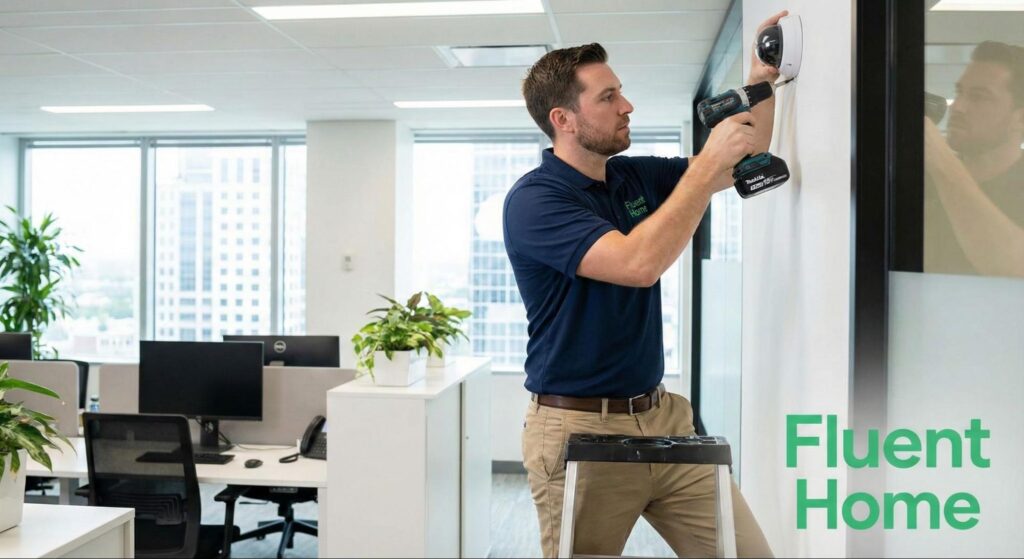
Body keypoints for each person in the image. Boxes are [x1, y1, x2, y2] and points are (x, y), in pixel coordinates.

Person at [501, 11, 789, 559]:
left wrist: (760, 81)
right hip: (578, 430)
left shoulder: (632, 177)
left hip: (662, 418)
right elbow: (637, 264)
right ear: (563, 119)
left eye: (622, 92)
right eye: (608, 97)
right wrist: (702, 172)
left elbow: (744, 157)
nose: (626, 106)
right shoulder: (535, 201)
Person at [924, 40, 1024, 278]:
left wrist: (941, 160)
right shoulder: (921, 182)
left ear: (1020, 119)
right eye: (959, 92)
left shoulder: (940, 168)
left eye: (979, 97)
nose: (958, 107)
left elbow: (1015, 269)